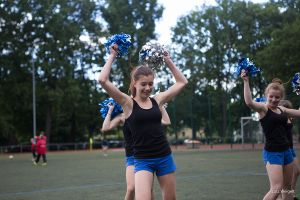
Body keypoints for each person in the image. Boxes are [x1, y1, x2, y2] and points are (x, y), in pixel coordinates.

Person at [98, 44, 187, 200]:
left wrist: (168, 60)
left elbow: (182, 82)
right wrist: (112, 55)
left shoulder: (157, 100)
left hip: (164, 156)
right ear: (135, 84)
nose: (148, 88)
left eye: (151, 84)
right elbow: (103, 80)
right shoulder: (127, 103)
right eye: (143, 84)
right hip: (142, 160)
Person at [241, 70, 300, 200]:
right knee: (276, 188)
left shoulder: (282, 109)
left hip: (287, 152)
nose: (274, 99)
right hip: (273, 153)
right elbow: (249, 102)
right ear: (267, 95)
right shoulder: (263, 109)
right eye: (271, 96)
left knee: (288, 188)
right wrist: (246, 81)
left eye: (277, 97)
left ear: (281, 98)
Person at [101, 101, 171, 200]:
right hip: (132, 156)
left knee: (149, 189)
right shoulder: (122, 116)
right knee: (131, 188)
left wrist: (161, 107)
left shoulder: (145, 114)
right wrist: (110, 110)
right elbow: (105, 128)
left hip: (146, 155)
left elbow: (166, 121)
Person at [279, 100, 300, 200]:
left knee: (297, 171)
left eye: (286, 107)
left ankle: (291, 193)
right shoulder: (280, 119)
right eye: (283, 107)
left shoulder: (289, 117)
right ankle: (285, 197)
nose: (285, 109)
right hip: (284, 149)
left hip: (290, 149)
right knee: (282, 181)